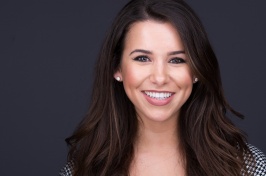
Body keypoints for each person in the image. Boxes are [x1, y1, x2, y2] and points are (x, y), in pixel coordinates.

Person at [59, 0, 266, 175]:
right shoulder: (83, 169)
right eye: (142, 58)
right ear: (117, 68)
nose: (159, 77)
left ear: (196, 71)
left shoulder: (245, 167)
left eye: (177, 60)